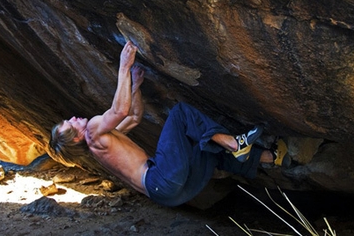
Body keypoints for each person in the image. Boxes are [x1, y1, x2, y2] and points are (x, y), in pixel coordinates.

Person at [49, 41, 287, 207]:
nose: (72, 119)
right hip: (160, 179)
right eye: (69, 125)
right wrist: (124, 66)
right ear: (77, 137)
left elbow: (133, 118)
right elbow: (120, 110)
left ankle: (272, 157)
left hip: (170, 194)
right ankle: (236, 144)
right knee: (180, 113)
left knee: (206, 148)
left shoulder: (101, 143)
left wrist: (134, 87)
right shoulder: (92, 130)